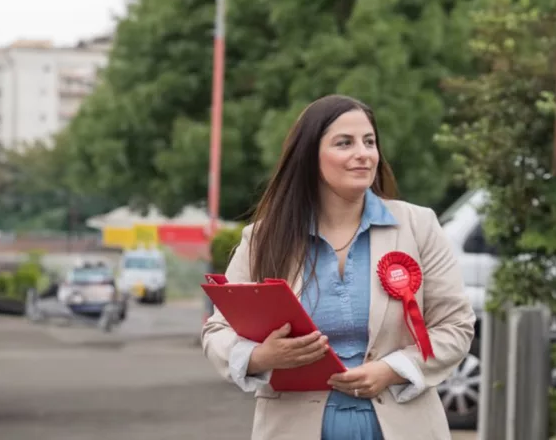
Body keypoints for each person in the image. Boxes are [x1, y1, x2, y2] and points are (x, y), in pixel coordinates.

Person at [202, 94, 475, 440]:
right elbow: (217, 332)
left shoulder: (418, 226)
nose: (363, 153)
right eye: (344, 143)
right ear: (310, 157)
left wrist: (392, 370)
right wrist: (259, 356)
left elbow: (456, 326)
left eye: (370, 141)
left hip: (406, 427)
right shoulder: (263, 238)